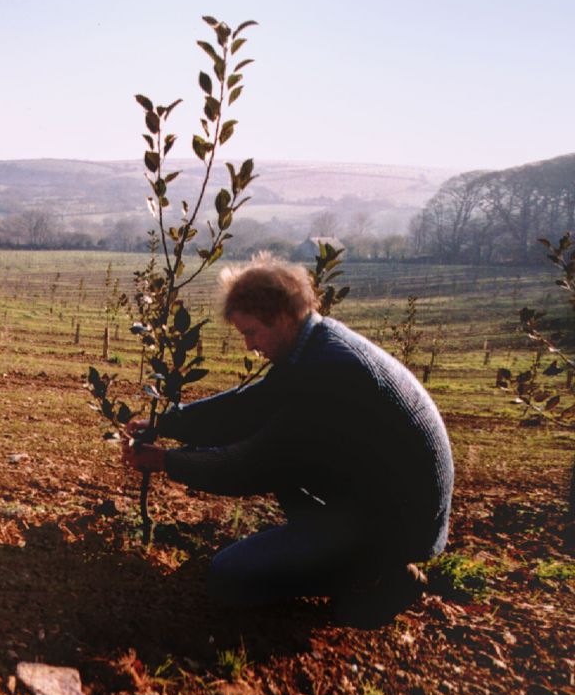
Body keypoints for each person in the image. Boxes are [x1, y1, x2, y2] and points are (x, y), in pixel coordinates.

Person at [122, 254, 454, 626]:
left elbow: (250, 467)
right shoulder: (316, 346)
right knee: (285, 475)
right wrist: (165, 423)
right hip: (384, 503)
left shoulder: (330, 369)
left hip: (398, 527)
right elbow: (248, 408)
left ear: (280, 317)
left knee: (228, 576)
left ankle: (375, 573)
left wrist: (166, 461)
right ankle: (350, 556)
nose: (249, 345)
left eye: (251, 332)